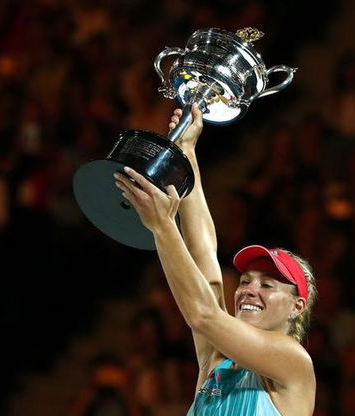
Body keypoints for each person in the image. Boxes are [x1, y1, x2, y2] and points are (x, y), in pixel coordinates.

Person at [113, 104, 317, 415]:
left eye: (267, 284)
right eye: (246, 281)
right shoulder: (217, 359)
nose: (249, 289)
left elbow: (203, 315)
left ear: (296, 306)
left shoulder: (293, 361)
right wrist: (187, 154)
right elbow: (203, 253)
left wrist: (164, 226)